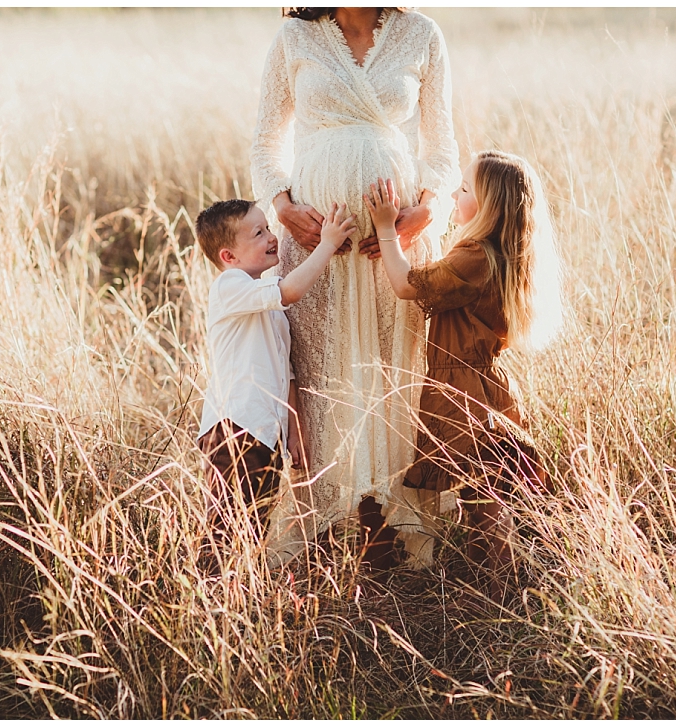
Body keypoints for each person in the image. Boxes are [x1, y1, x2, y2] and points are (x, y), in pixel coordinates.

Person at [250, 7, 460, 567]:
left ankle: (388, 523)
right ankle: (325, 522)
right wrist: (283, 207)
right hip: (316, 243)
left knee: (393, 369)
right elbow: (265, 141)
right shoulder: (296, 36)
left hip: (394, 244)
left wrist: (428, 211)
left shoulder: (421, 34)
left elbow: (443, 147)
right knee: (320, 369)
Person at [365, 150, 561, 598]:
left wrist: (385, 227)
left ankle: (504, 590)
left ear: (489, 206)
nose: (454, 194)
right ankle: (496, 588)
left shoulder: (476, 256)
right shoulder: (497, 253)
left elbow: (406, 285)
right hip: (483, 387)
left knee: (486, 500)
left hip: (465, 393)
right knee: (483, 494)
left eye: (465, 188)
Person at [195, 198, 357, 564]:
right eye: (259, 233)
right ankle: (210, 590)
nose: (272, 237)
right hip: (234, 427)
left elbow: (287, 372)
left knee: (253, 526)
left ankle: (243, 590)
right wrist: (328, 243)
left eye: (268, 228)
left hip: (266, 433)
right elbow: (291, 291)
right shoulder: (230, 286)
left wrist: (294, 429)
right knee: (224, 529)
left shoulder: (265, 301)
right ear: (228, 256)